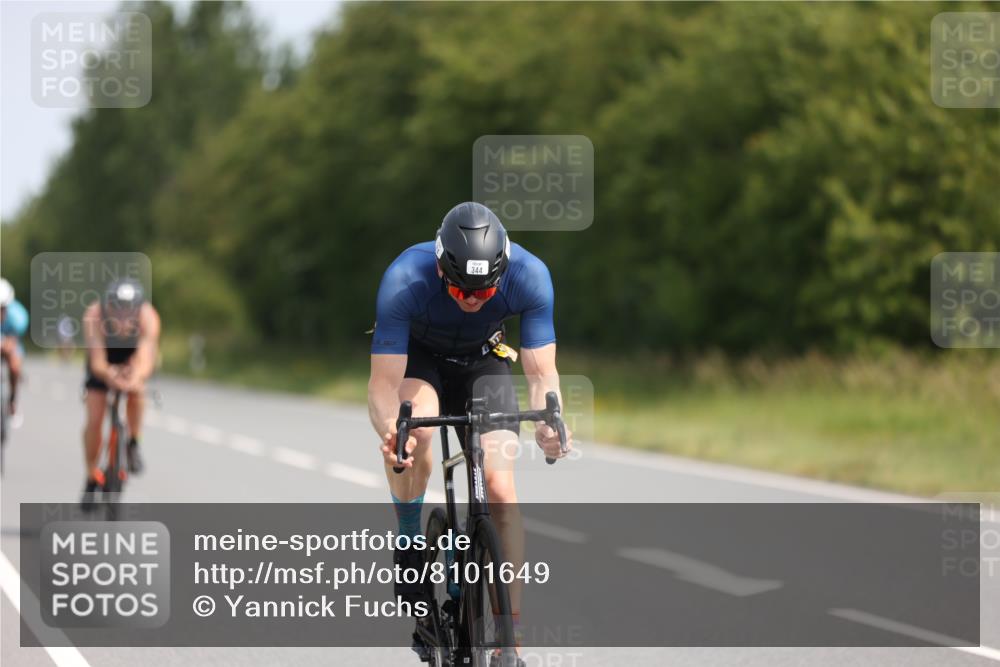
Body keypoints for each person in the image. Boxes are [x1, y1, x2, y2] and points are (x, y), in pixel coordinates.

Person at [367, 202, 573, 663]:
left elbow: (543, 375)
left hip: (484, 360)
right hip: (420, 361)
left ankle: (511, 640)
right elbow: (382, 386)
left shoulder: (530, 275)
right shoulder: (405, 277)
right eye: (460, 289)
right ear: (441, 268)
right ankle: (408, 537)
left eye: (484, 290)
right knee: (414, 432)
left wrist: (549, 424)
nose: (473, 299)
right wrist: (391, 432)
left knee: (501, 487)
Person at [80, 278, 160, 509]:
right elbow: (97, 361)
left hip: (132, 359)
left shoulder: (148, 317)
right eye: (118, 308)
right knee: (95, 419)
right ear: (108, 305)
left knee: (138, 391)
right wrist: (108, 375)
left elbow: (145, 358)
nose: (124, 315)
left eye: (129, 309)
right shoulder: (94, 315)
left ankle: (134, 441)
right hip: (104, 360)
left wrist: (134, 377)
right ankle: (90, 474)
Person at [0, 278, 29, 420]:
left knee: (15, 366)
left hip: (9, 344)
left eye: (2, 308)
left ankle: (12, 400)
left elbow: (13, 341)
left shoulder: (17, 315)